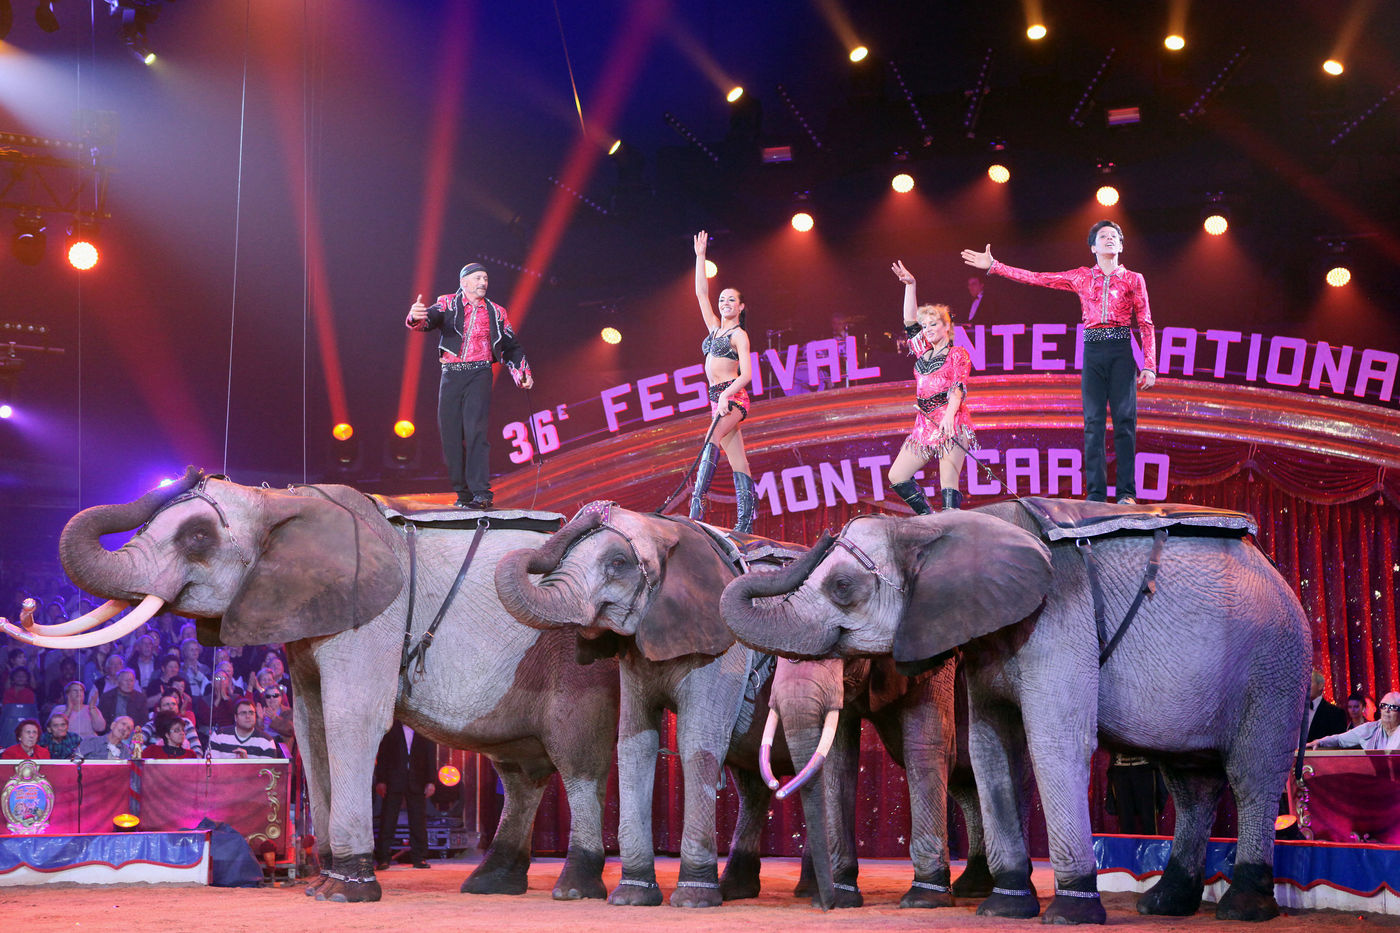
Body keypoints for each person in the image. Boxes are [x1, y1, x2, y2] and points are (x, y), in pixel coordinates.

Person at [961, 220, 1156, 503]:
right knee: (1093, 423)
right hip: (1092, 351)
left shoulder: (1134, 279)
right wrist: (995, 266)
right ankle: (1096, 495)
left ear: (1122, 246)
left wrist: (1149, 364)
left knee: (1125, 422)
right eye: (1103, 236)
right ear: (1093, 247)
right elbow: (1038, 278)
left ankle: (1127, 493)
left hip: (1121, 350)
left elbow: (1146, 322)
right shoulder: (1081, 277)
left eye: (1114, 236)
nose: (1109, 238)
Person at [405, 262, 534, 511]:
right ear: (463, 282)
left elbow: (511, 347)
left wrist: (522, 373)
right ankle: (463, 494)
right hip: (451, 375)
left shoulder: (497, 312)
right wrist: (415, 316)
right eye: (477, 278)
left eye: (485, 278)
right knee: (450, 436)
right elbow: (428, 320)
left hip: (480, 374)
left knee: (475, 431)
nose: (483, 282)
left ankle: (482, 493)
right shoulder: (447, 303)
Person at [887, 261, 977, 513]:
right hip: (924, 425)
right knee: (897, 476)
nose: (927, 329)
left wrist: (949, 417)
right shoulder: (922, 352)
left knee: (948, 486)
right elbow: (909, 321)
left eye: (933, 324)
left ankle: (950, 529)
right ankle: (929, 519)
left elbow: (958, 387)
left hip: (951, 422)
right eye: (925, 326)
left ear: (947, 327)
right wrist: (911, 285)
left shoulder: (957, 354)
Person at [689, 231, 757, 533]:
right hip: (717, 399)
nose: (725, 302)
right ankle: (745, 523)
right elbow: (701, 294)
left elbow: (747, 375)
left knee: (710, 439)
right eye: (722, 299)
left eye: (731, 299)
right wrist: (700, 257)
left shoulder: (739, 335)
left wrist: (726, 396)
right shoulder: (715, 329)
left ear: (741, 307)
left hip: (732, 399)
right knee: (738, 461)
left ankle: (696, 507)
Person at [374, 720, 438, 869]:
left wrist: (431, 781)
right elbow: (383, 756)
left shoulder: (423, 729)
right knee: (388, 819)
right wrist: (381, 780)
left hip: (417, 780)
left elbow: (430, 756)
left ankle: (420, 857)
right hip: (394, 780)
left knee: (418, 821)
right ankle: (383, 858)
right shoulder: (391, 729)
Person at [1308, 692, 1400, 751]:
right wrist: (1319, 742)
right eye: (1384, 706)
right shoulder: (1369, 728)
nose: (1387, 710)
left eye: (1393, 707)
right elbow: (1340, 739)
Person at [208, 699, 283, 759]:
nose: (248, 716)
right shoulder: (219, 736)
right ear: (235, 717)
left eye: (251, 713)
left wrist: (246, 764)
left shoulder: (267, 741)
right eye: (243, 713)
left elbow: (267, 771)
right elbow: (211, 766)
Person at [1304, 670, 1348, 743]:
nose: (1305, 686)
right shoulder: (1296, 711)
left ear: (1320, 686)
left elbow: (1336, 743)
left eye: (1309, 682)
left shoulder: (1335, 713)